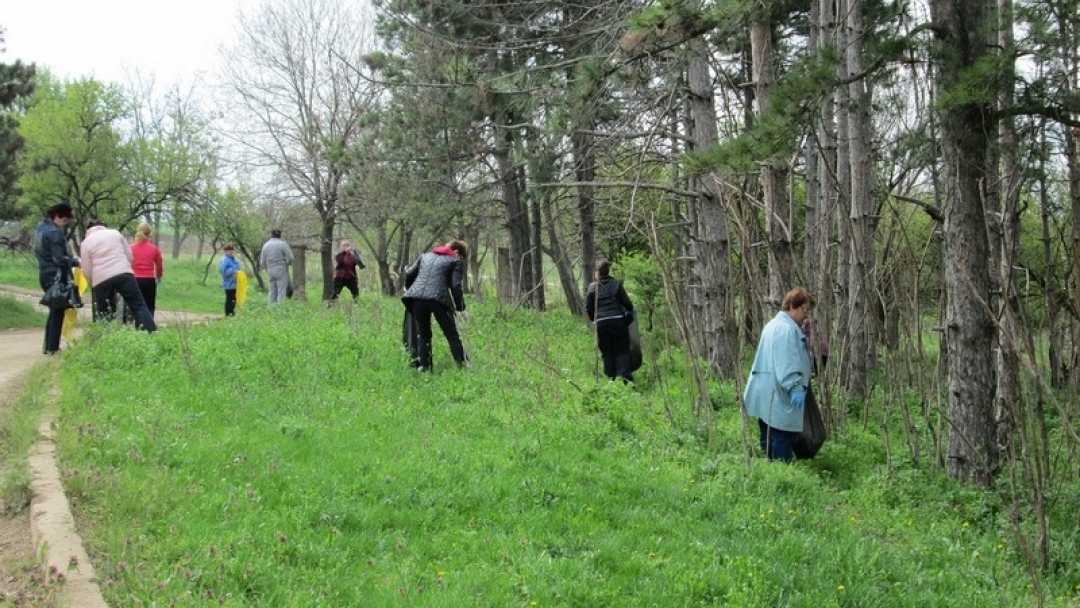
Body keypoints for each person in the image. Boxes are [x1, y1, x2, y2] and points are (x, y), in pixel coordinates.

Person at [743, 287, 816, 462]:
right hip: (779, 397)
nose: (806, 315)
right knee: (781, 442)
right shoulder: (785, 330)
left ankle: (771, 478)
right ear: (792, 306)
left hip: (768, 395)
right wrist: (796, 387)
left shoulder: (774, 325)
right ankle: (780, 482)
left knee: (769, 440)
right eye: (804, 309)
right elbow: (787, 365)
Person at [401, 240, 469, 371]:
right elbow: (456, 286)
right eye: (461, 256)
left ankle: (425, 368)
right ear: (456, 252)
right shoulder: (455, 261)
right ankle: (463, 366)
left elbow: (409, 273)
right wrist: (460, 307)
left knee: (423, 334)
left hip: (416, 299)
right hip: (438, 299)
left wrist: (410, 289)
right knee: (451, 334)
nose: (460, 259)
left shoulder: (424, 256)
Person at [80, 219, 157, 332]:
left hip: (101, 278)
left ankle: (106, 339)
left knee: (104, 313)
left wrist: (93, 284)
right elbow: (130, 256)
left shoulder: (86, 243)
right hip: (124, 273)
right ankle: (150, 333)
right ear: (104, 227)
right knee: (139, 306)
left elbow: (86, 269)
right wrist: (124, 267)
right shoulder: (115, 233)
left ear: (88, 229)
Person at [32, 201, 80, 354]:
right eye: (65, 220)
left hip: (44, 273)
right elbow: (59, 258)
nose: (65, 224)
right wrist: (76, 261)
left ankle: (49, 347)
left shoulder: (40, 228)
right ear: (58, 216)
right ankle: (52, 349)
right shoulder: (54, 233)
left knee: (54, 310)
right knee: (58, 311)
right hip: (56, 276)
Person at [584, 258, 636, 383]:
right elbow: (628, 306)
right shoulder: (617, 284)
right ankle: (625, 379)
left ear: (597, 272)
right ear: (608, 271)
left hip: (602, 323)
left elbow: (589, 309)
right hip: (618, 321)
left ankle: (610, 380)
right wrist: (628, 318)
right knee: (622, 351)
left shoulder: (592, 287)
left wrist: (595, 320)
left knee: (607, 352)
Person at [130, 222, 164, 317]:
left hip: (134, 279)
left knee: (135, 304)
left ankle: (136, 325)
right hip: (149, 280)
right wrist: (158, 276)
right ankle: (149, 326)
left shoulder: (131, 248)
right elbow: (159, 265)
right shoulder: (154, 249)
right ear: (149, 234)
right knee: (149, 305)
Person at [260, 229, 294, 305]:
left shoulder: (266, 245)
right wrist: (288, 263)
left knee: (272, 290)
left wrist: (266, 269)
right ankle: (280, 309)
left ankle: (271, 308)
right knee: (281, 290)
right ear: (280, 235)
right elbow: (291, 258)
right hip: (281, 268)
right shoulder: (282, 244)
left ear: (271, 235)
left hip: (270, 269)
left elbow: (262, 261)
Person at [219, 244, 241, 317]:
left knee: (234, 299)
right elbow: (223, 272)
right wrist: (233, 270)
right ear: (225, 251)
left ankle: (233, 313)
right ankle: (228, 314)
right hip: (228, 284)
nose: (231, 252)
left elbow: (239, 268)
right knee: (229, 300)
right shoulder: (225, 260)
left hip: (236, 284)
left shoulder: (234, 260)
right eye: (229, 250)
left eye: (232, 250)